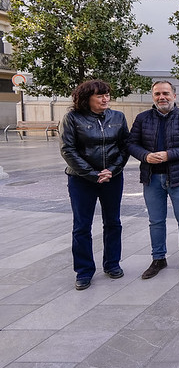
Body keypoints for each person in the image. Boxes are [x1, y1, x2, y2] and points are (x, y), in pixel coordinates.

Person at [127, 80, 179, 279]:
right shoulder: (142, 119)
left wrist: (170, 154)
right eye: (158, 94)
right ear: (153, 96)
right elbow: (131, 144)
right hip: (152, 178)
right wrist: (145, 156)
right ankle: (158, 258)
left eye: (166, 93)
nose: (162, 97)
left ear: (174, 96)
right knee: (156, 221)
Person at [59, 79, 129, 290]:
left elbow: (125, 146)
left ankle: (112, 264)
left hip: (112, 178)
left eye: (107, 94)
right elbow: (67, 150)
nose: (105, 98)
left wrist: (113, 170)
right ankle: (84, 271)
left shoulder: (118, 117)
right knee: (82, 226)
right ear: (86, 98)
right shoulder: (72, 118)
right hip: (82, 180)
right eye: (100, 95)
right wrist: (92, 173)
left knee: (113, 222)